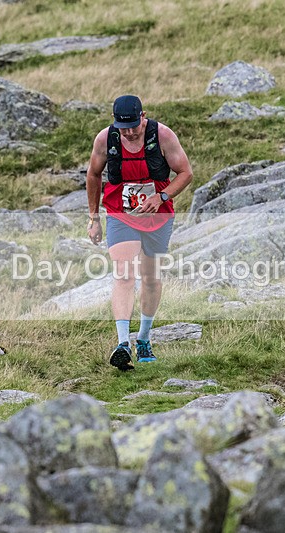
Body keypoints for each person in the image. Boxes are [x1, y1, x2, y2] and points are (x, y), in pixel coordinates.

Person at [86, 95, 193, 371]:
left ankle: (143, 338)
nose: (130, 132)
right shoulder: (105, 140)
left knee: (151, 278)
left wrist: (161, 196)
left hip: (158, 215)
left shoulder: (163, 136)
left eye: (134, 125)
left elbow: (185, 173)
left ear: (143, 116)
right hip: (121, 214)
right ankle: (123, 344)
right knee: (123, 274)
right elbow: (93, 175)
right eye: (124, 128)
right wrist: (94, 217)